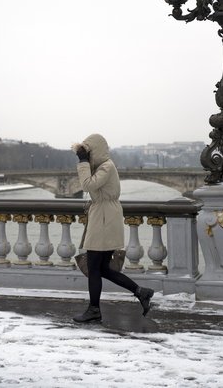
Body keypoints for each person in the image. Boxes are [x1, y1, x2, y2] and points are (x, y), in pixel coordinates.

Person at [71, 133, 154, 322]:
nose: (86, 156)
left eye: (88, 153)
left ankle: (94, 310)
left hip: (104, 218)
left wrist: (83, 163)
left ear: (95, 151)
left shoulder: (106, 167)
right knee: (102, 269)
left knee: (94, 267)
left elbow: (86, 185)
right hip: (104, 216)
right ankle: (141, 292)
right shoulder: (103, 166)